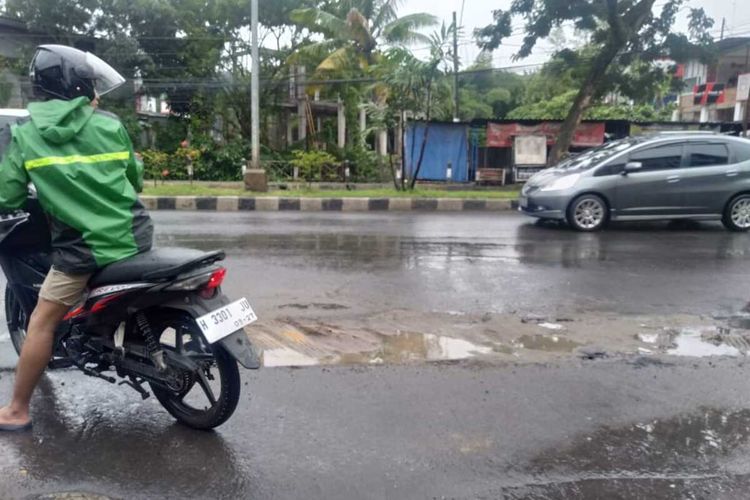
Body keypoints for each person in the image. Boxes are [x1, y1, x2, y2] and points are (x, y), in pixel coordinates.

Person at [0, 45, 153, 431]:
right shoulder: (109, 124)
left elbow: (8, 196)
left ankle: (17, 410)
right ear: (78, 86)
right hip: (135, 237)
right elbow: (135, 179)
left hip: (82, 249)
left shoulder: (26, 134)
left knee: (40, 322)